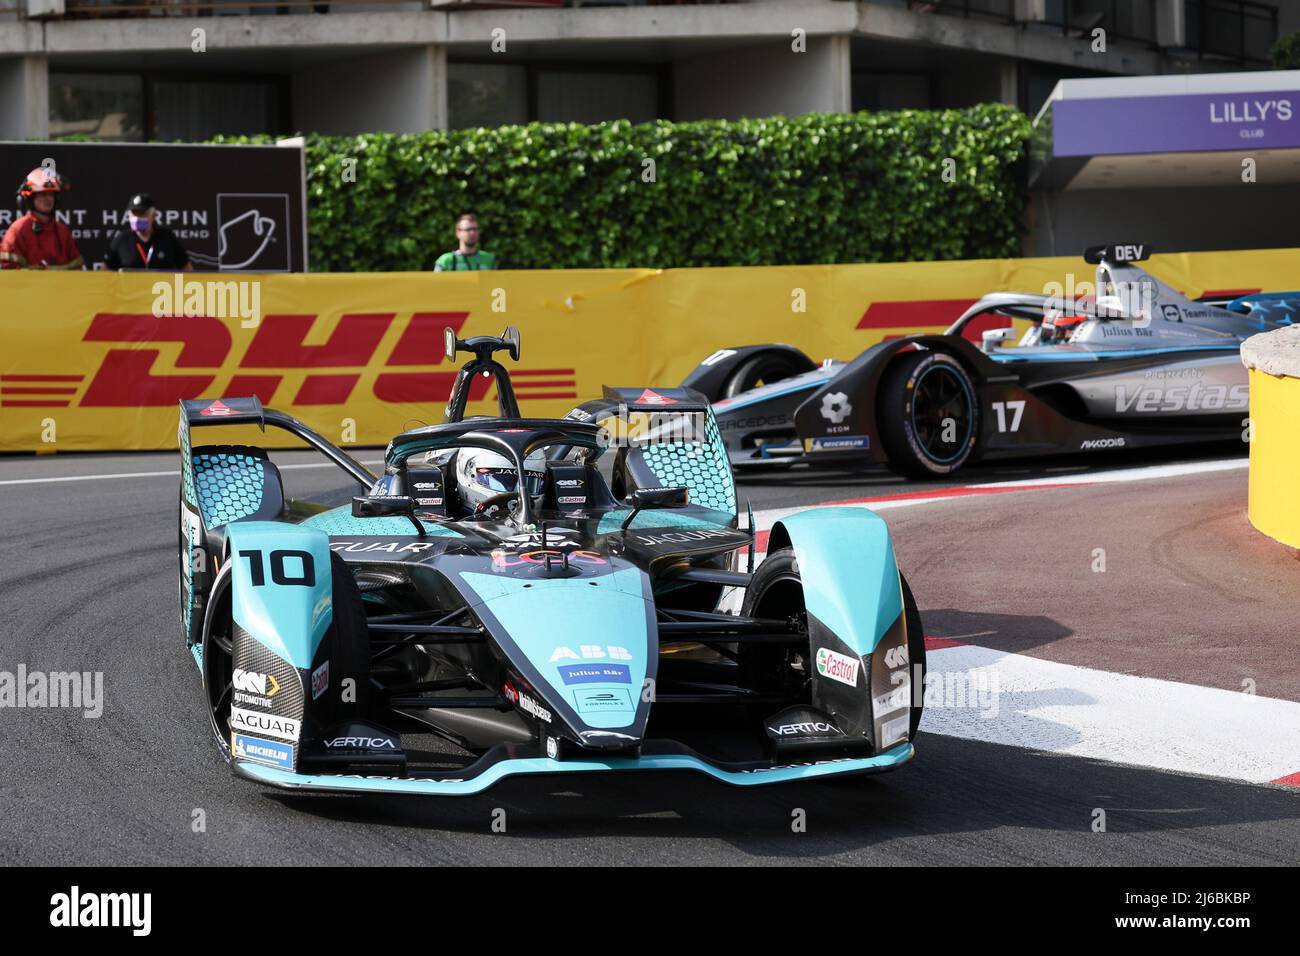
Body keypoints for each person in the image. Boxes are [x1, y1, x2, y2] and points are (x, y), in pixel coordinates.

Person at [0, 167, 83, 270]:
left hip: (60, 286)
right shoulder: (18, 230)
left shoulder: (63, 232)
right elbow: (9, 273)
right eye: (43, 194)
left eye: (51, 194)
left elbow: (77, 270)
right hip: (29, 286)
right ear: (31, 198)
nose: (48, 199)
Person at [103, 193, 191, 271]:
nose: (137, 218)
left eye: (142, 214)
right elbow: (105, 271)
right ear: (129, 215)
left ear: (153, 215)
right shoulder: (122, 239)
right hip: (131, 289)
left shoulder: (167, 237)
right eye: (134, 214)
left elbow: (187, 268)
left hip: (161, 289)